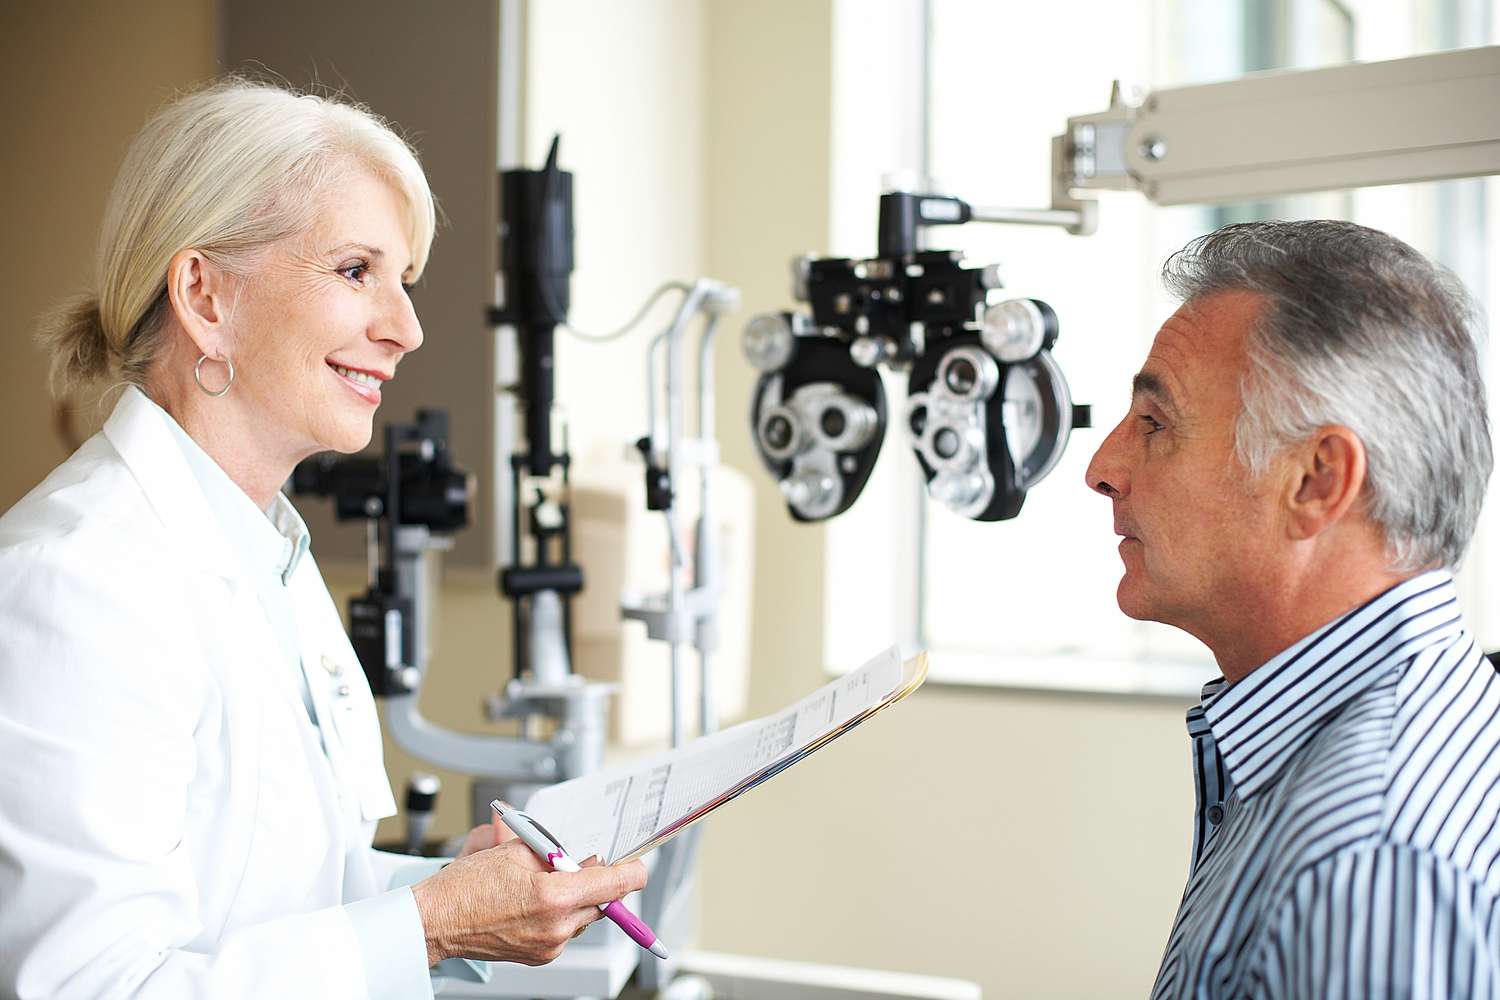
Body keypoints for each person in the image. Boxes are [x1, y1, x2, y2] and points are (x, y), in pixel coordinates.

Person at [0, 79, 645, 999]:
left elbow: (280, 906)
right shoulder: (73, 586)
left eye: (405, 283)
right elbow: (90, 988)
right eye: (356, 272)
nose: (407, 329)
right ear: (205, 297)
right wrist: (430, 926)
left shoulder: (268, 555)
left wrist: (457, 898)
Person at [1085, 219, 1497, 998]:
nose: (1102, 468)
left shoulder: (1368, 865)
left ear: (1315, 481)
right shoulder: (1365, 746)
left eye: (1155, 424)